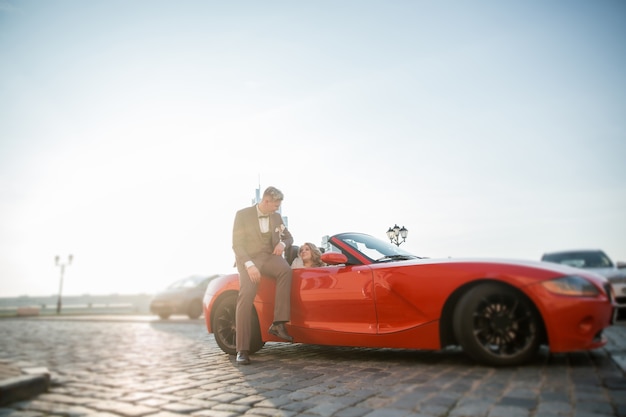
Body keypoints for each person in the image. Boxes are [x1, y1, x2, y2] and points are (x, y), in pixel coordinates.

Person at [232, 186, 294, 365]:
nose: (277, 208)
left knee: (285, 271)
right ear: (266, 201)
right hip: (248, 260)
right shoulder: (242, 215)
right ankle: (242, 349)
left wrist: (282, 243)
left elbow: (290, 237)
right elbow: (237, 245)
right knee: (246, 296)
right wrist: (249, 265)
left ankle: (278, 323)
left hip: (269, 258)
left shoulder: (276, 217)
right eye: (275, 205)